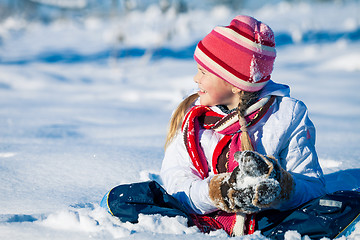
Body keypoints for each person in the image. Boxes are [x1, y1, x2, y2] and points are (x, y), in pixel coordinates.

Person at [159, 15, 326, 236]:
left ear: (236, 84)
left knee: (339, 208)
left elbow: (312, 186)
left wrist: (280, 188)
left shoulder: (286, 115)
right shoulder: (191, 117)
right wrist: (218, 192)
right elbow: (175, 181)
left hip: (268, 220)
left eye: (204, 72)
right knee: (130, 198)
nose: (195, 78)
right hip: (204, 216)